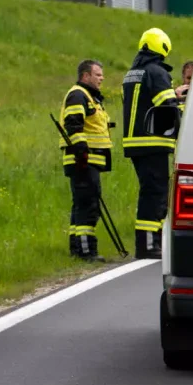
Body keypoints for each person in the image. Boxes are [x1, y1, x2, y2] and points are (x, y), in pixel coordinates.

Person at [122, 28, 186, 259]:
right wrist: (182, 117)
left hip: (135, 142)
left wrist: (174, 94)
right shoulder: (157, 72)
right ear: (163, 47)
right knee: (155, 193)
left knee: (149, 192)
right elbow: (166, 107)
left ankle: (149, 242)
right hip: (153, 142)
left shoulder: (133, 72)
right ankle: (148, 245)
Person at [60, 59, 113, 262]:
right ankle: (86, 251)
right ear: (85, 76)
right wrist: (81, 153)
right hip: (83, 161)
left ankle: (76, 248)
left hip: (88, 161)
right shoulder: (78, 95)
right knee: (88, 206)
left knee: (82, 204)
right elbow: (73, 124)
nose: (102, 78)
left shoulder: (90, 97)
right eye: (97, 74)